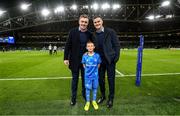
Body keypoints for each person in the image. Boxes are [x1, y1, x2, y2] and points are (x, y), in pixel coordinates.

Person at [64, 14, 92, 106]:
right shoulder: (72, 32)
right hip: (74, 61)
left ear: (87, 23)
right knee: (74, 80)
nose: (83, 23)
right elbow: (67, 45)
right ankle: (73, 98)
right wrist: (65, 58)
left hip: (86, 62)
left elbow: (92, 47)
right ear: (79, 22)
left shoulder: (90, 34)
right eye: (82, 21)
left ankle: (85, 95)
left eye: (85, 22)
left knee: (85, 80)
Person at [93, 16, 120, 108]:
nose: (97, 23)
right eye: (95, 22)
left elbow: (116, 45)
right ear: (94, 24)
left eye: (98, 21)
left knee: (111, 80)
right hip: (99, 62)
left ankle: (111, 98)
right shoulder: (93, 35)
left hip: (110, 61)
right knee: (101, 80)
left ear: (102, 22)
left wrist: (115, 58)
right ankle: (103, 96)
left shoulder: (110, 31)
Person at [81, 41, 101, 111]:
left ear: (94, 47)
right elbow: (83, 64)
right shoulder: (84, 56)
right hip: (87, 76)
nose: (90, 47)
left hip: (95, 76)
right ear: (86, 47)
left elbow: (98, 64)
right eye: (88, 46)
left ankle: (94, 101)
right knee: (88, 89)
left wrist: (94, 71)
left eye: (91, 46)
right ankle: (88, 102)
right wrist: (87, 71)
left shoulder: (97, 55)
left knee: (95, 88)